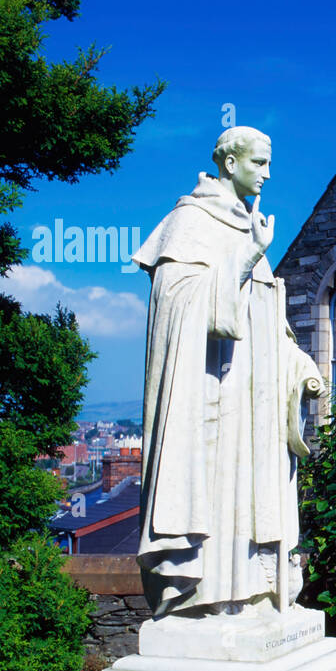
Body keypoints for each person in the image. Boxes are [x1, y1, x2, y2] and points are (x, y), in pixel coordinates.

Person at [132, 126, 322, 617]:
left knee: (253, 497)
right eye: (259, 163)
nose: (268, 173)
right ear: (229, 163)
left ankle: (257, 595)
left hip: (253, 410)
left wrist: (297, 365)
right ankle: (209, 600)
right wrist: (248, 254)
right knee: (218, 496)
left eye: (269, 163)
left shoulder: (249, 226)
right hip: (211, 401)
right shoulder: (190, 222)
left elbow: (271, 327)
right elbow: (181, 305)